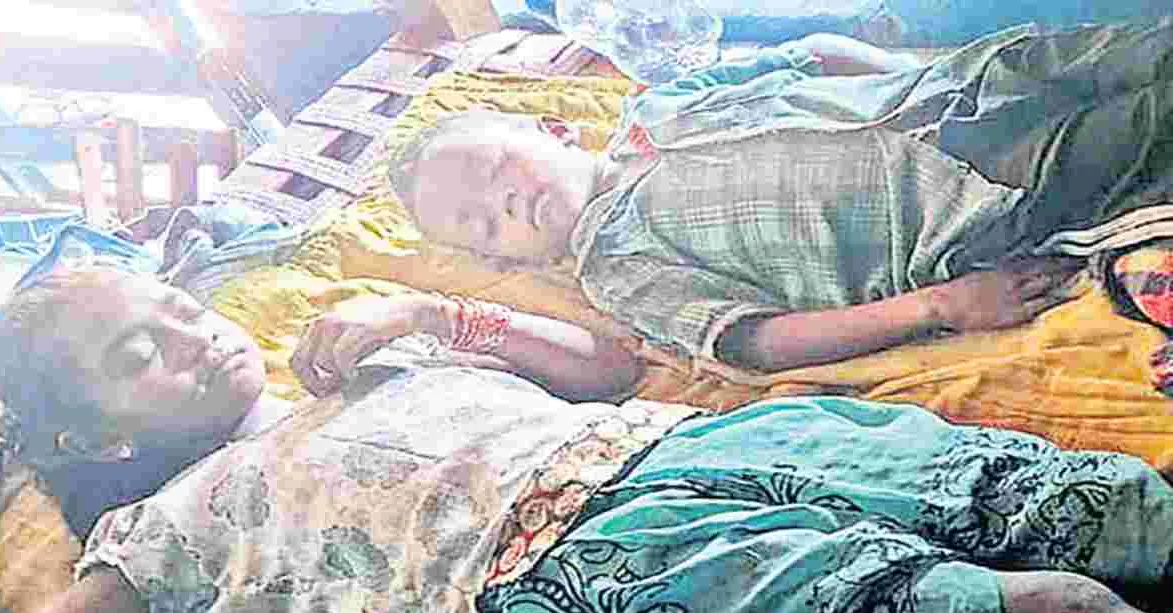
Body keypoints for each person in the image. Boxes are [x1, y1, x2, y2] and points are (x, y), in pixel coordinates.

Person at [0, 267, 1173, 613]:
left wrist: (433, 311)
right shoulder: (164, 531)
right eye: (142, 354)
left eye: (177, 310)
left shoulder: (367, 350)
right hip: (587, 563)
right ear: (95, 437)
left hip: (688, 441)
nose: (193, 340)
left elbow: (604, 368)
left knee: (1107, 512)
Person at [388, 21, 1173, 372]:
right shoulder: (616, 269)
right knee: (1152, 122)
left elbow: (812, 55)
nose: (503, 207)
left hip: (971, 79)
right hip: (971, 195)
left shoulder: (659, 105)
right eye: (480, 226)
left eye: (497, 173)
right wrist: (938, 306)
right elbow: (755, 342)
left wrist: (912, 73)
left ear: (554, 129)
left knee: (1151, 51)